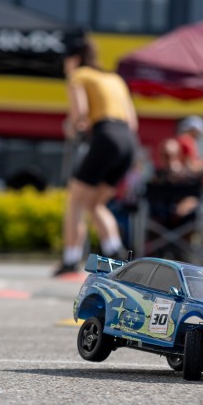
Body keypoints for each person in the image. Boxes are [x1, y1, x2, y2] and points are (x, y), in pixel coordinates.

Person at [55, 38, 138, 276]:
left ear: (74, 59)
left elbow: (80, 113)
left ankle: (70, 259)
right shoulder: (115, 78)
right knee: (95, 203)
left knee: (75, 202)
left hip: (106, 136)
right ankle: (116, 252)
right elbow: (132, 121)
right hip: (128, 141)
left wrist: (72, 129)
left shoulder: (79, 75)